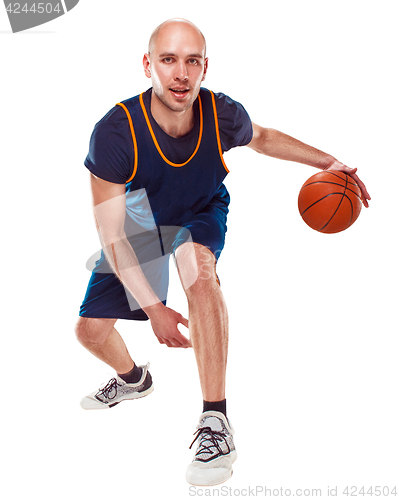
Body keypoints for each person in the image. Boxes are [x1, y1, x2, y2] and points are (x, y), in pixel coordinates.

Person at [75, 18, 371, 487]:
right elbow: (112, 236)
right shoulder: (115, 133)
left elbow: (265, 137)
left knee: (200, 271)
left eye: (192, 61)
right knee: (89, 333)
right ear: (147, 64)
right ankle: (133, 379)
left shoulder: (220, 114)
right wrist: (154, 309)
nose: (181, 74)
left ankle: (216, 420)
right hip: (140, 220)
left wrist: (329, 162)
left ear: (205, 68)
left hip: (199, 207)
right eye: (169, 60)